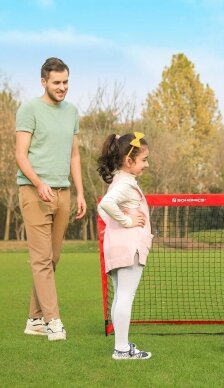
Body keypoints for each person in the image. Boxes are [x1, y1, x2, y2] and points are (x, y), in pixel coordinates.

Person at [15, 57, 87, 341]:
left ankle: (34, 319)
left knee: (52, 258)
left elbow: (74, 155)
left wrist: (80, 192)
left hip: (63, 193)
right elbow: (21, 154)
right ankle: (53, 321)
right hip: (34, 193)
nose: (62, 87)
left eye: (65, 82)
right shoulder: (29, 109)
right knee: (41, 259)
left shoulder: (71, 112)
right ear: (43, 81)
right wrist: (38, 182)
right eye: (56, 82)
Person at [97, 132, 153, 360]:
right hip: (129, 249)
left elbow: (103, 210)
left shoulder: (120, 181)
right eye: (143, 160)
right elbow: (106, 204)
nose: (146, 165)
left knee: (121, 295)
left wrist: (121, 219)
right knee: (125, 296)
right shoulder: (126, 184)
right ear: (129, 161)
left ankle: (122, 345)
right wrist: (127, 221)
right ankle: (121, 349)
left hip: (118, 247)